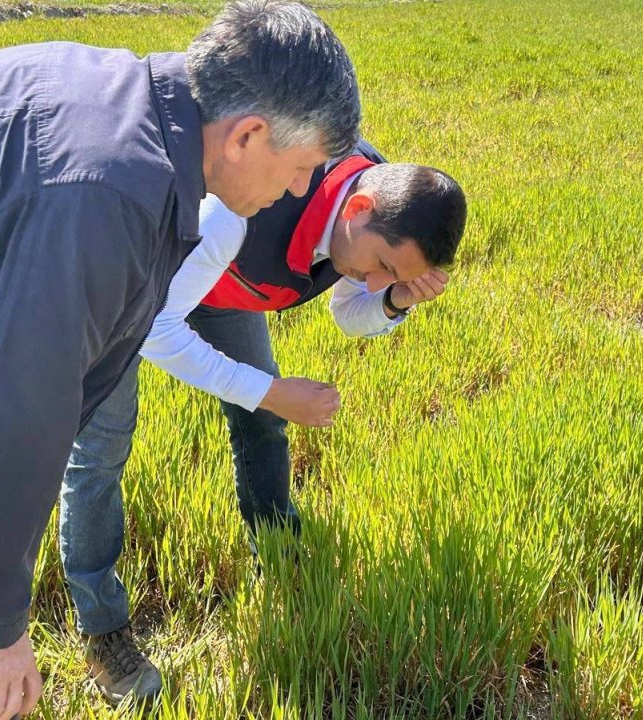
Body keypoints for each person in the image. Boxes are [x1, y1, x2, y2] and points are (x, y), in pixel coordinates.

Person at [0, 2, 360, 718]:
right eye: (301, 169)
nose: (297, 191)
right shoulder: (107, 188)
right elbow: (24, 410)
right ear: (248, 136)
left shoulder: (128, 117)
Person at [59, 139, 467, 703]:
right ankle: (103, 630)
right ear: (358, 209)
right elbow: (154, 328)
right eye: (384, 267)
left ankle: (277, 555)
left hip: (218, 274)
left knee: (261, 420)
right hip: (125, 274)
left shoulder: (372, 205)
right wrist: (271, 391)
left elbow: (349, 313)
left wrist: (395, 299)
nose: (375, 281)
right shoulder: (240, 209)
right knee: (101, 450)